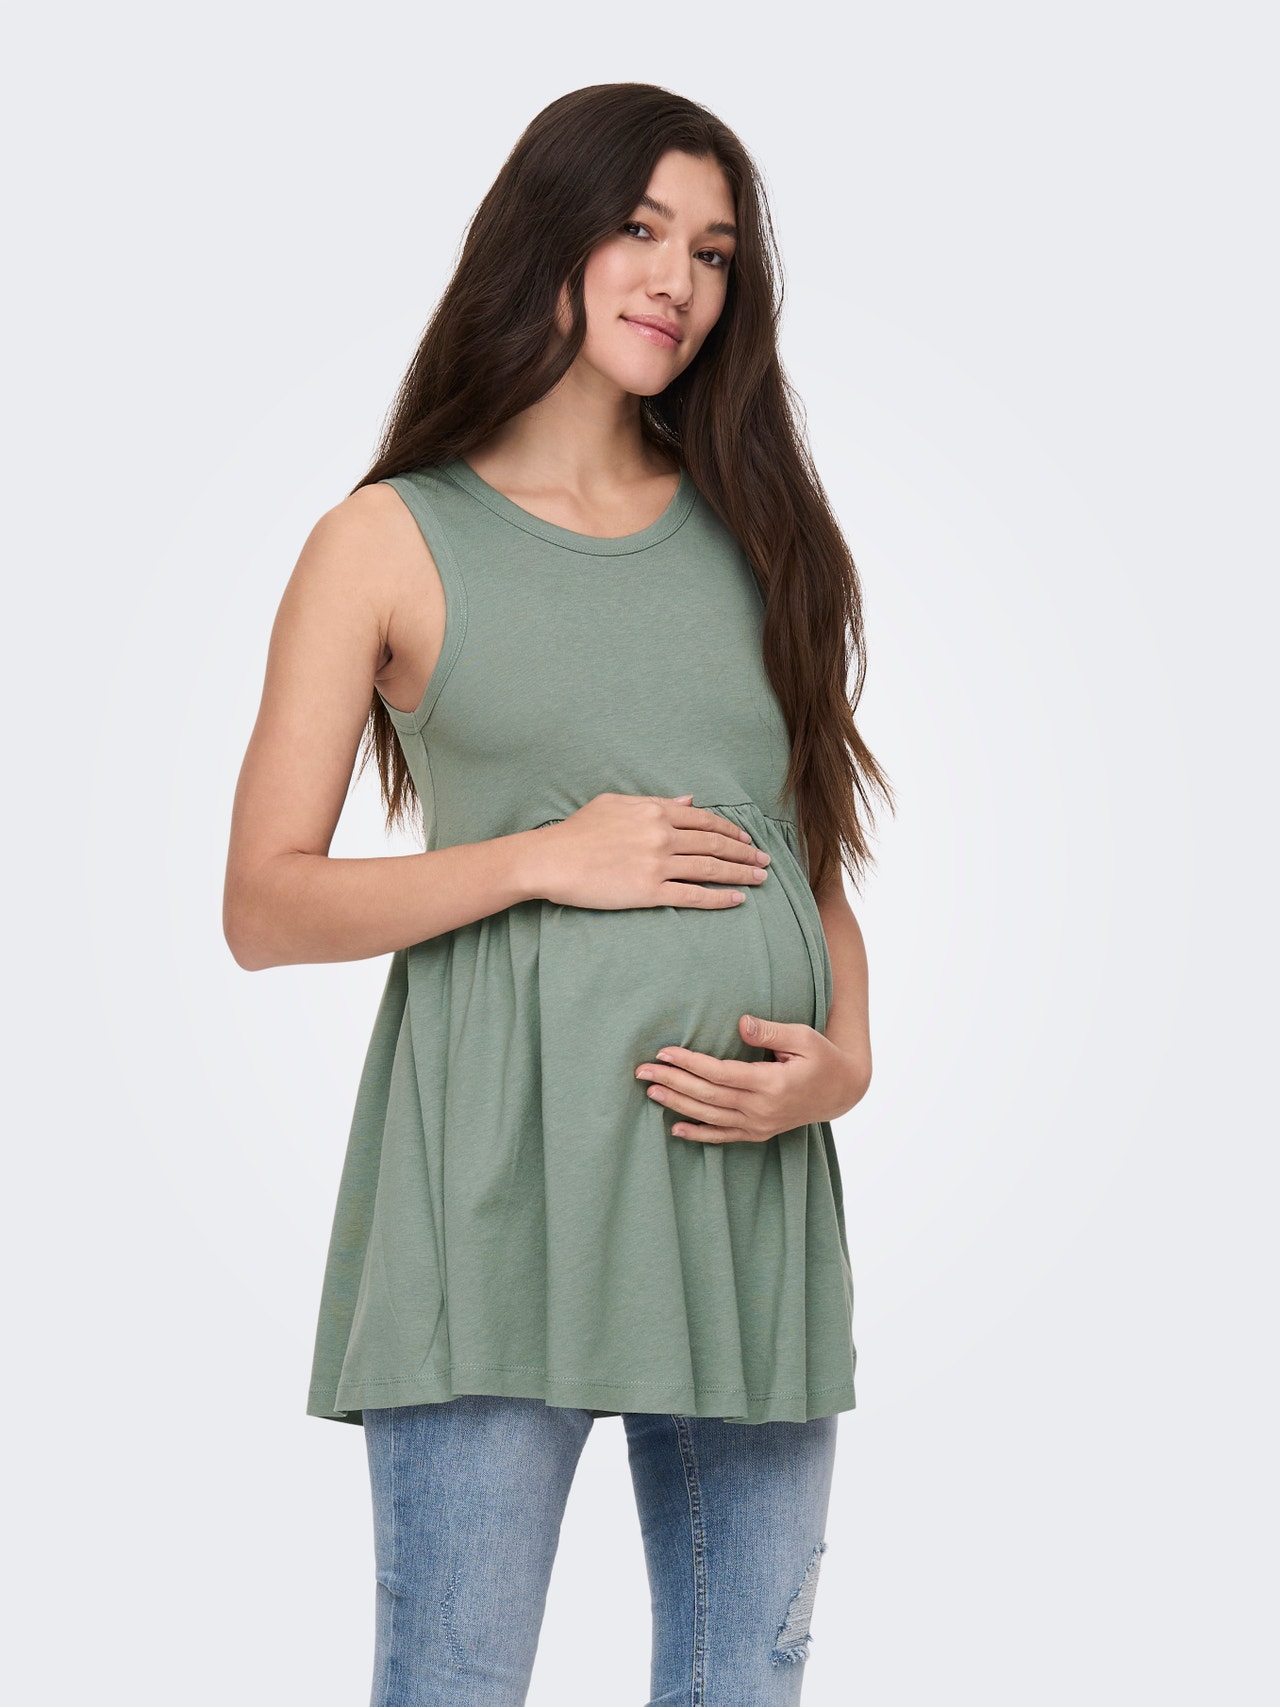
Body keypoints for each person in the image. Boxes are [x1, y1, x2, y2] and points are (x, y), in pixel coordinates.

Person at [223, 81, 892, 1707]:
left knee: (745, 1687)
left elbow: (806, 849)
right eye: (642, 229)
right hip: (498, 1200)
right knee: (456, 1684)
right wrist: (542, 858)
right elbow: (263, 905)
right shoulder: (386, 540)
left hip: (743, 1203)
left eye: (714, 251)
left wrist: (847, 1062)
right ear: (549, 237)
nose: (679, 280)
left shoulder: (762, 527)